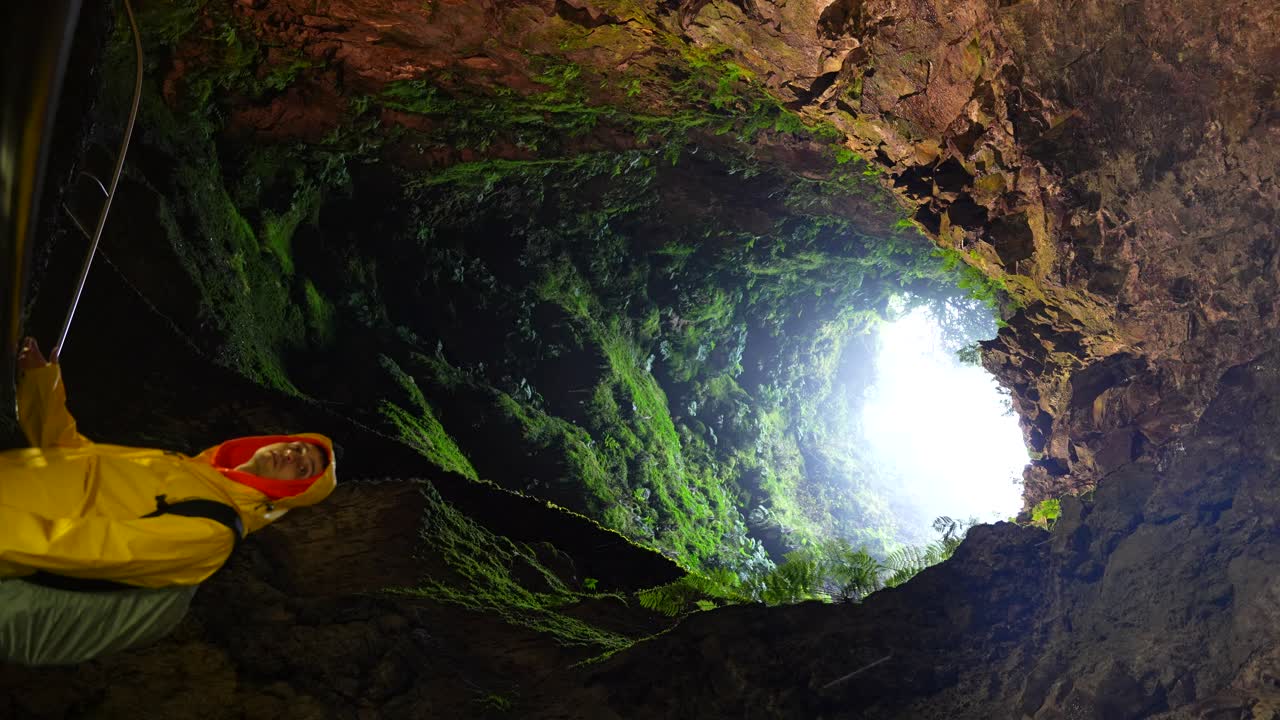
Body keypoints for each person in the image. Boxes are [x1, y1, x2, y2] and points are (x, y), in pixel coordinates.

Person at [0, 337, 337, 665]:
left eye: (302, 467)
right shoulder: (190, 467)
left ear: (291, 495)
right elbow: (75, 455)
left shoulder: (213, 531)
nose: (292, 455)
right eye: (296, 446)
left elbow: (91, 549)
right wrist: (42, 384)